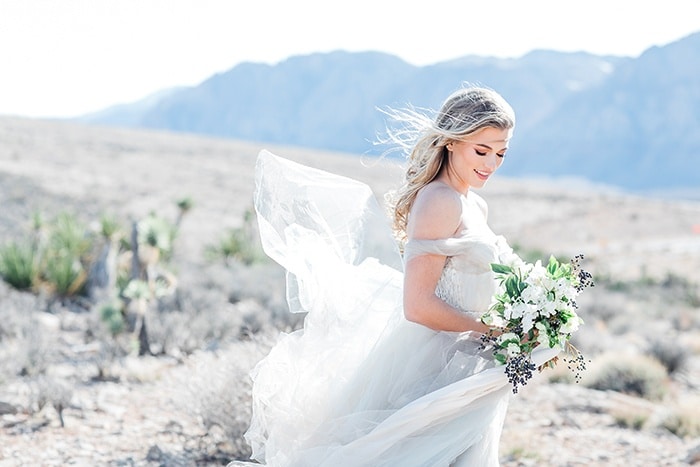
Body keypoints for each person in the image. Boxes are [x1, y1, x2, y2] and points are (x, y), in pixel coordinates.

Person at [237, 85, 560, 466]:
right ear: (452, 142)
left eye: (501, 153)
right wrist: (495, 331)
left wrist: (528, 319)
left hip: (469, 362)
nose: (491, 164)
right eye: (482, 150)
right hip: (432, 365)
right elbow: (418, 305)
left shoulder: (475, 203)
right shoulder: (440, 200)